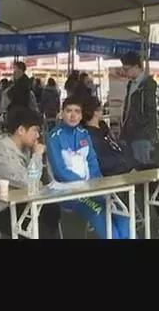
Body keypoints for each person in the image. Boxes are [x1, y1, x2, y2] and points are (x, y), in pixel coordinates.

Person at [47, 97, 130, 239]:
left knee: (122, 214)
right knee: (100, 212)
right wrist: (85, 185)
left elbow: (93, 163)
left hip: (92, 189)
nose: (73, 115)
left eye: (77, 111)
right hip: (68, 192)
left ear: (81, 115)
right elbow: (60, 171)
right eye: (69, 111)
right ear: (62, 113)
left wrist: (96, 184)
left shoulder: (84, 134)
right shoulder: (54, 137)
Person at [0, 106, 60, 239]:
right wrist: (37, 155)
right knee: (38, 230)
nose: (38, 136)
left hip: (18, 201)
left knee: (52, 209)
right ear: (21, 130)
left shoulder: (23, 149)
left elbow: (42, 182)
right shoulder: (3, 153)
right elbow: (31, 183)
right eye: (35, 130)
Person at [119, 51, 158, 169]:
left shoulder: (147, 84)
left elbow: (151, 111)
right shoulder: (131, 84)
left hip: (142, 135)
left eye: (126, 69)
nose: (124, 72)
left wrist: (149, 134)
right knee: (132, 168)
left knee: (144, 170)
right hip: (130, 134)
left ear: (136, 67)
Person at [82, 96, 134, 176]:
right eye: (100, 108)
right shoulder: (91, 136)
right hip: (115, 171)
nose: (102, 110)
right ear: (95, 112)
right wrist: (120, 159)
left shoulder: (102, 128)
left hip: (122, 164)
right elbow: (100, 161)